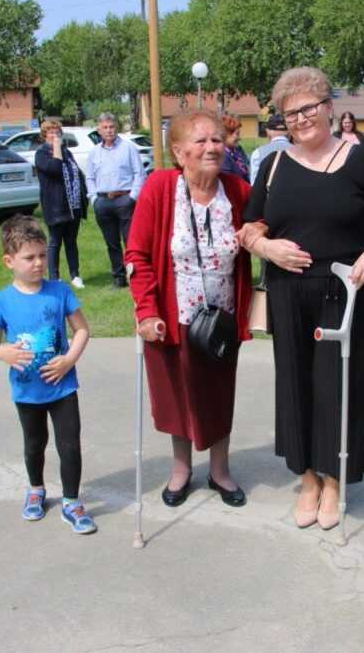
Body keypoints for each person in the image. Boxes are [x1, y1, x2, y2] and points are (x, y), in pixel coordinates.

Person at [242, 66, 364, 529]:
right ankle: (308, 478)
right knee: (295, 383)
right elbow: (250, 226)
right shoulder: (273, 164)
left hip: (342, 291)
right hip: (287, 291)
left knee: (338, 385)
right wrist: (267, 247)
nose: (300, 119)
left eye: (308, 108)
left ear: (329, 107)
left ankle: (335, 479)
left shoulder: (361, 160)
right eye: (290, 113)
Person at [124, 110, 254, 508]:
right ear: (179, 152)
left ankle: (220, 470)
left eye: (216, 139)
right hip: (171, 319)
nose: (212, 147)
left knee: (218, 395)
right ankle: (181, 469)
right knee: (176, 397)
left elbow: (264, 227)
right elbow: (137, 254)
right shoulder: (160, 187)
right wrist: (147, 311)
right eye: (200, 141)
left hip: (221, 322)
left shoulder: (238, 190)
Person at [0, 215, 96, 534]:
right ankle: (36, 488)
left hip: (62, 386)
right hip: (27, 390)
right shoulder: (1, 301)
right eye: (29, 257)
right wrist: (4, 353)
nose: (38, 263)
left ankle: (71, 502)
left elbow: (82, 330)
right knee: (34, 443)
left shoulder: (60, 291)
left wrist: (68, 360)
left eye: (43, 255)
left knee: (69, 444)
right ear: (9, 261)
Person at [85, 113, 145, 288]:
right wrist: (94, 199)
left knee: (131, 241)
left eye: (111, 127)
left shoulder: (128, 148)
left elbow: (139, 173)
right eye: (105, 127)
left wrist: (132, 197)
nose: (109, 130)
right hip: (103, 202)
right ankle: (119, 277)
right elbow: (89, 177)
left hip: (125, 200)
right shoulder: (94, 153)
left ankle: (136, 277)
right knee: (111, 243)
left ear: (116, 128)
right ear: (99, 130)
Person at [34, 118, 86, 289]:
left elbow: (77, 174)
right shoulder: (41, 154)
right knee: (55, 242)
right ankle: (54, 278)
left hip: (73, 206)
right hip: (55, 206)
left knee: (71, 242)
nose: (55, 135)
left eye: (57, 132)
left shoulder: (67, 152)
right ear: (44, 135)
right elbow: (55, 169)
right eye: (51, 132)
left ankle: (75, 275)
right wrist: (56, 148)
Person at [249, 113, 292, 183]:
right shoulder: (301, 152)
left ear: (267, 131)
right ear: (289, 131)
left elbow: (254, 183)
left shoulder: (257, 153)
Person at [220, 114, 250, 183]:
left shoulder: (238, 150)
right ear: (226, 134)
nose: (239, 138)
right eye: (237, 134)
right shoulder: (223, 157)